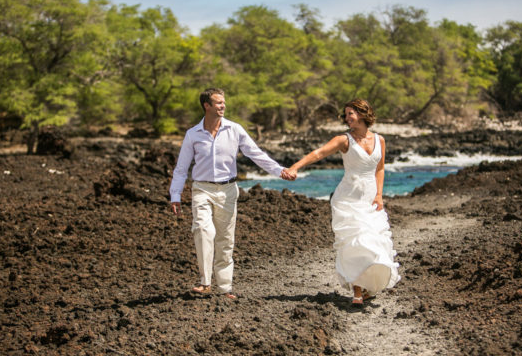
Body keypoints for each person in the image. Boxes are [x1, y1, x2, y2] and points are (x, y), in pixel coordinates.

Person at [170, 88, 295, 299]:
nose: (223, 106)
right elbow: (181, 168)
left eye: (224, 102)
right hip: (202, 188)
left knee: (226, 239)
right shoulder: (193, 134)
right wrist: (175, 195)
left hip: (228, 190)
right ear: (206, 106)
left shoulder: (234, 129)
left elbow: (255, 154)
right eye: (218, 103)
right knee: (202, 230)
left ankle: (225, 287)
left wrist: (279, 170)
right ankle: (205, 281)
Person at [287, 99, 400, 305]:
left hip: (370, 198)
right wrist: (295, 167)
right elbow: (318, 153)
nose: (347, 118)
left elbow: (380, 168)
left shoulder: (380, 140)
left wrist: (379, 195)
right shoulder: (343, 140)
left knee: (372, 241)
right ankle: (357, 290)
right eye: (346, 114)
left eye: (351, 114)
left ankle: (367, 285)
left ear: (363, 114)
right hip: (347, 198)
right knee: (353, 243)